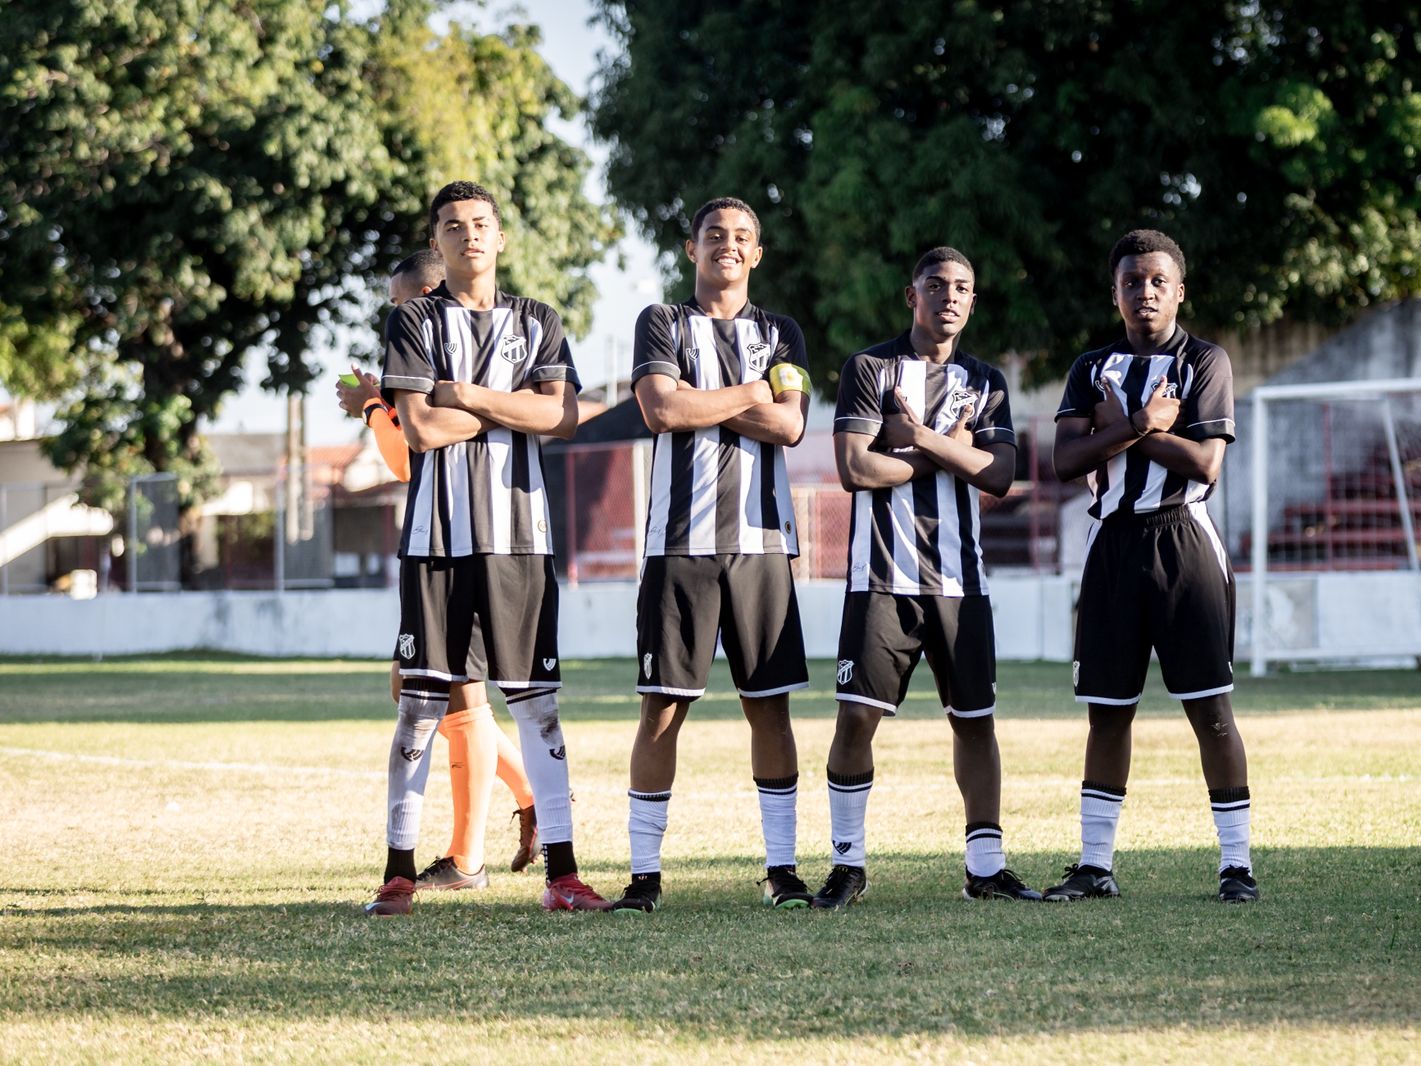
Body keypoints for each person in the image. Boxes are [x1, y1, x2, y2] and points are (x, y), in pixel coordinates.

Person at [364, 180, 608, 916]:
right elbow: (420, 431)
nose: (468, 234)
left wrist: (466, 396)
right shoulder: (413, 321)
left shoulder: (539, 322)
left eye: (480, 224)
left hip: (520, 542)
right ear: (436, 245)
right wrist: (514, 409)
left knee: (537, 706)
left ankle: (563, 876)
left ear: (500, 237)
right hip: (437, 543)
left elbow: (563, 417)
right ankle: (398, 873)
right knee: (420, 710)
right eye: (452, 226)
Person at [811, 245, 1040, 909]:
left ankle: (986, 868)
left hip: (961, 583)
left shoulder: (986, 380)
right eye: (936, 285)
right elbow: (855, 469)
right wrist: (951, 454)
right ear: (911, 295)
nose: (949, 297)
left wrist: (918, 441)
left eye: (963, 287)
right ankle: (848, 865)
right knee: (855, 719)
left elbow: (999, 475)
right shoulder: (870, 368)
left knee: (975, 722)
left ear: (973, 300)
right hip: (881, 576)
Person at [611, 197, 813, 914]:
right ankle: (644, 876)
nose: (728, 246)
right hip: (679, 546)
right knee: (661, 710)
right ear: (691, 248)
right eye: (715, 236)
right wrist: (747, 394)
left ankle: (782, 870)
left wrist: (708, 396)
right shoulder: (661, 323)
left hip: (762, 548)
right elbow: (661, 411)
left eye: (743, 238)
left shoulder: (781, 333)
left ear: (757, 253)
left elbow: (788, 427)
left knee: (770, 710)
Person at [1050, 228, 1257, 904]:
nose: (1145, 292)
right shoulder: (1090, 368)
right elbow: (1064, 461)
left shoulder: (1204, 360)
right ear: (1115, 293)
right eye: (1132, 282)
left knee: (1210, 711)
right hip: (1112, 545)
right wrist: (1142, 424)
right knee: (1107, 712)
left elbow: (1205, 463)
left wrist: (1125, 431)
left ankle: (1236, 866)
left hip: (1184, 545)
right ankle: (1095, 865)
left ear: (1179, 290)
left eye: (1157, 281)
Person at [337, 249, 542, 896]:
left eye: (403, 303)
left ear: (430, 294)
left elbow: (406, 457)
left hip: (476, 540)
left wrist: (376, 410)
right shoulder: (424, 368)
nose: (398, 318)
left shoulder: (450, 356)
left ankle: (467, 856)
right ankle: (513, 805)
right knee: (435, 691)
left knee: (461, 695)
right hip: (441, 539)